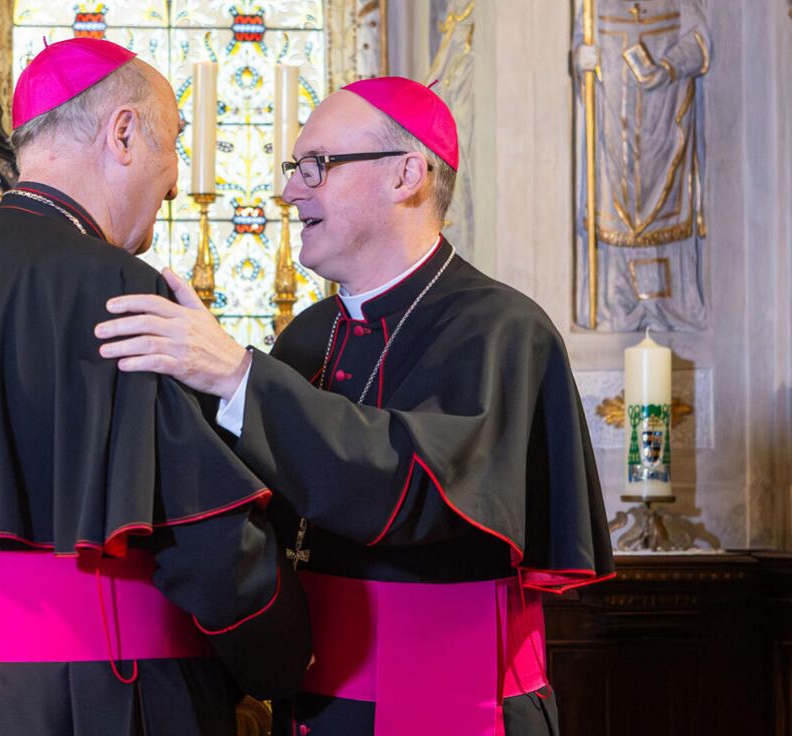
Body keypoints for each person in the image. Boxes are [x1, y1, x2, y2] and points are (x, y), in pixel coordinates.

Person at [96, 76, 615, 735]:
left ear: (406, 175)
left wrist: (235, 376)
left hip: (449, 702)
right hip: (309, 703)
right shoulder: (309, 335)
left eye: (317, 165)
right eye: (293, 168)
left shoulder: (501, 330)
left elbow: (420, 491)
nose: (289, 190)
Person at [0, 38, 311, 736]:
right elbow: (205, 538)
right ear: (122, 133)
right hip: (109, 695)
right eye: (172, 145)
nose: (175, 181)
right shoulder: (116, 287)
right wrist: (281, 655)